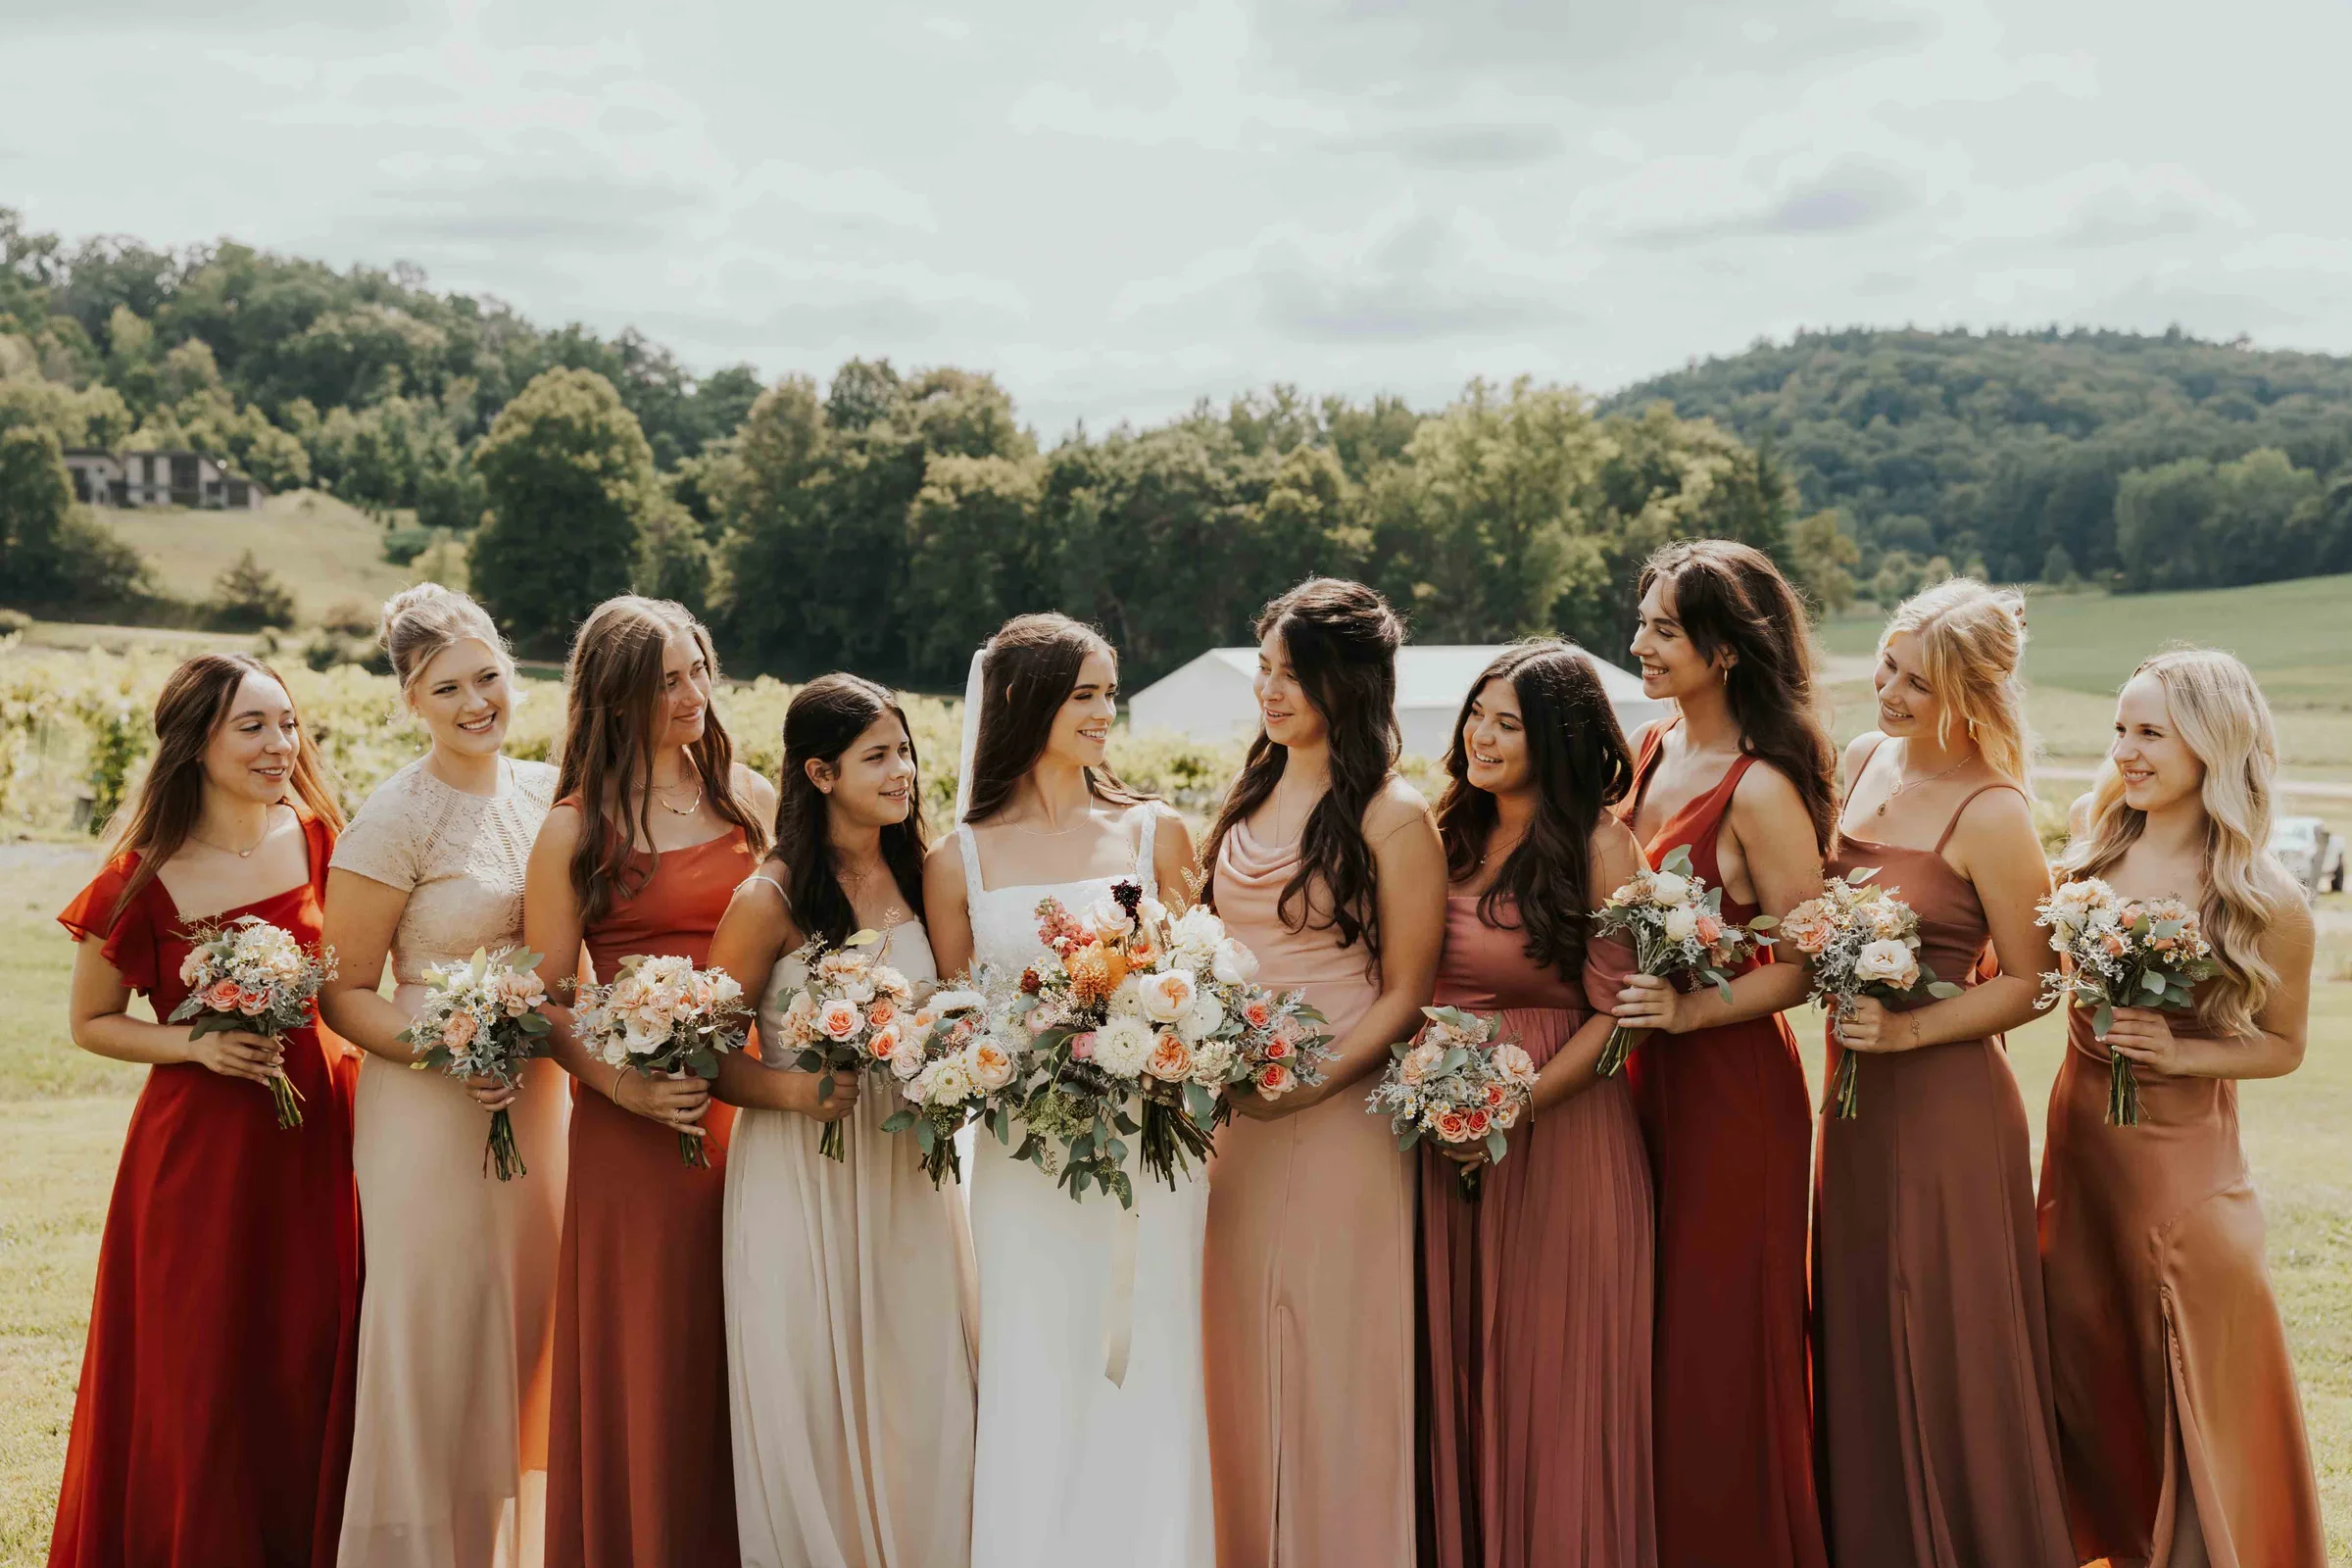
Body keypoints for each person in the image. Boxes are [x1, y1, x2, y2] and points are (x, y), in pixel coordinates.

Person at [49, 653, 361, 1567]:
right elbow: (91, 1023)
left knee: (305, 1346)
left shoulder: (320, 839)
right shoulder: (138, 877)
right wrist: (195, 1043)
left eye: (288, 723)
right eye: (252, 726)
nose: (280, 745)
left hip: (316, 1133)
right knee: (201, 1362)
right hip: (198, 1152)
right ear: (196, 743)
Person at [922, 612, 1206, 1568]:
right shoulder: (954, 858)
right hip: (1025, 1158)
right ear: (1022, 700)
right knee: (1035, 1360)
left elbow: (1203, 980)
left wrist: (1150, 1038)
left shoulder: (1154, 831)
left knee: (1152, 1357)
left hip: (1148, 1151)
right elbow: (954, 1020)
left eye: (1107, 691)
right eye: (1083, 692)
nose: (1104, 710)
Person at [2038, 648, 2325, 1565]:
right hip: (2078, 1153)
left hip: (2181, 1176)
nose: (2125, 748)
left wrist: (2182, 1049)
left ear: (2212, 742)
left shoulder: (2262, 898)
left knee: (2182, 1380)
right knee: (2088, 1359)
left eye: (2150, 731)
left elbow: (2283, 1047)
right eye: (2121, 726)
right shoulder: (2097, 835)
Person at [1812, 577, 2072, 1565]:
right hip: (1851, 1098)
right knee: (1862, 1316)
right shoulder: (1865, 759)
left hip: (1945, 1105)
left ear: (1971, 696)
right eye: (1887, 663)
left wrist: (1912, 1035)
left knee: (1945, 1329)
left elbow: (2036, 984)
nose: (1888, 690)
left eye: (1917, 683)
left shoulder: (1995, 812)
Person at [1199, 579, 1446, 1568]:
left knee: (1335, 1349)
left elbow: (1405, 991)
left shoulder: (1394, 813)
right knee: (1235, 1346)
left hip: (1341, 1108)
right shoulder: (1249, 790)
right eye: (1264, 669)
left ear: (1348, 682)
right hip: (1235, 1111)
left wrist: (1315, 1082)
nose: (1272, 689)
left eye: (1293, 673)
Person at [523, 597, 774, 1567]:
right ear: (616, 694)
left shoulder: (747, 800)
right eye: (667, 678)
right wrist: (619, 1088)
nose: (692, 693)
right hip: (634, 1123)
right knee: (650, 1354)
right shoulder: (574, 831)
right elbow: (544, 1003)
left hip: (753, 1108)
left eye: (699, 668)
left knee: (744, 1333)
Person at [318, 584, 565, 1568]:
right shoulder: (393, 815)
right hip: (425, 1100)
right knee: (434, 1324)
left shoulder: (550, 790)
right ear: (410, 700)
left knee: (533, 1317)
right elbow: (343, 993)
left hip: (539, 1096)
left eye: (490, 676)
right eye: (448, 687)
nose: (477, 703)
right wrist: (447, 1047)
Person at [708, 674, 976, 1567]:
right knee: (815, 1385)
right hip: (801, 1168)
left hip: (908, 1169)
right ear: (819, 774)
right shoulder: (771, 899)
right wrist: (795, 1093)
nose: (903, 771)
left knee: (920, 1381)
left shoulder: (921, 873)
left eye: (905, 750)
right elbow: (702, 1053)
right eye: (878, 757)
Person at [1609, 540, 1831, 1568]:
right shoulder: (1650, 750)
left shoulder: (1760, 791)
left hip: (1731, 1092)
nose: (1641, 643)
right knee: (1647, 1336)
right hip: (1640, 1083)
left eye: (1663, 627)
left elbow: (1811, 958)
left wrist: (1696, 1016)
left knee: (1716, 1341)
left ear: (1726, 649)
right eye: (1644, 621)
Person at [1420, 643, 1655, 1568]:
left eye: (1507, 723)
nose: (1481, 735)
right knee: (1464, 1371)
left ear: (1554, 737)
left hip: (1564, 1131)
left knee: (1554, 1380)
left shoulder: (1601, 844)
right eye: (1477, 713)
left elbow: (1619, 1020)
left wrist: (1511, 1111)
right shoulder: (1445, 831)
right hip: (1443, 1132)